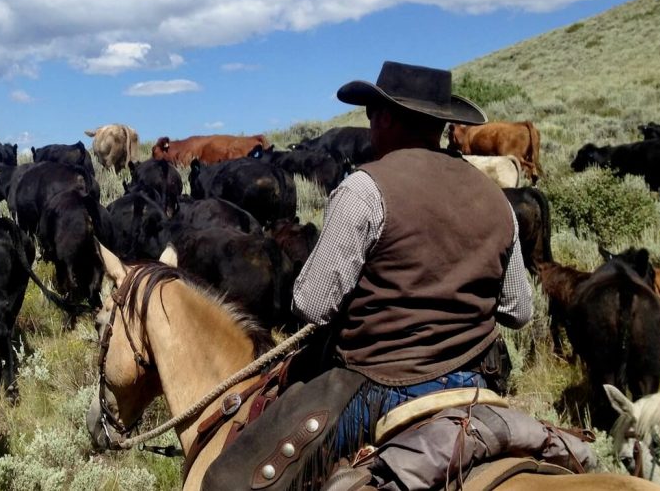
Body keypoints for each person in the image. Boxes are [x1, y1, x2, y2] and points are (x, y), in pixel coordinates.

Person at [202, 61, 533, 491]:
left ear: (389, 117)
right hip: (474, 381)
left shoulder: (366, 188)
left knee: (227, 480)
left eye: (372, 113)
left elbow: (313, 305)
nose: (369, 123)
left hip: (379, 384)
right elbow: (519, 310)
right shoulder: (496, 199)